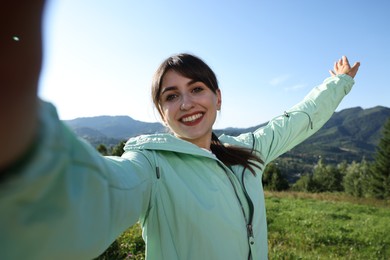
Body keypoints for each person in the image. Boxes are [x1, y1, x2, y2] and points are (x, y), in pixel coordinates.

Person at [0, 1, 360, 260]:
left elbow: (298, 119)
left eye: (197, 88)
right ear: (161, 113)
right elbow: (95, 194)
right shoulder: (149, 167)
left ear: (218, 98)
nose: (186, 102)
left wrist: (337, 84)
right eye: (172, 95)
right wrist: (22, 155)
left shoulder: (248, 150)